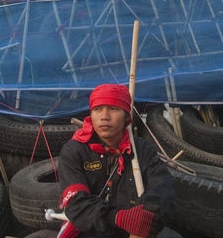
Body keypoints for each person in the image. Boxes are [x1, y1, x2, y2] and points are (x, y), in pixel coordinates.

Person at [57, 83, 176, 238]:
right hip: (91, 230)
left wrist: (144, 218)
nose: (104, 116)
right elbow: (76, 203)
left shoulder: (141, 149)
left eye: (113, 109)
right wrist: (117, 218)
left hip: (134, 229)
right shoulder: (74, 150)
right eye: (97, 109)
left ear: (127, 116)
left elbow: (162, 189)